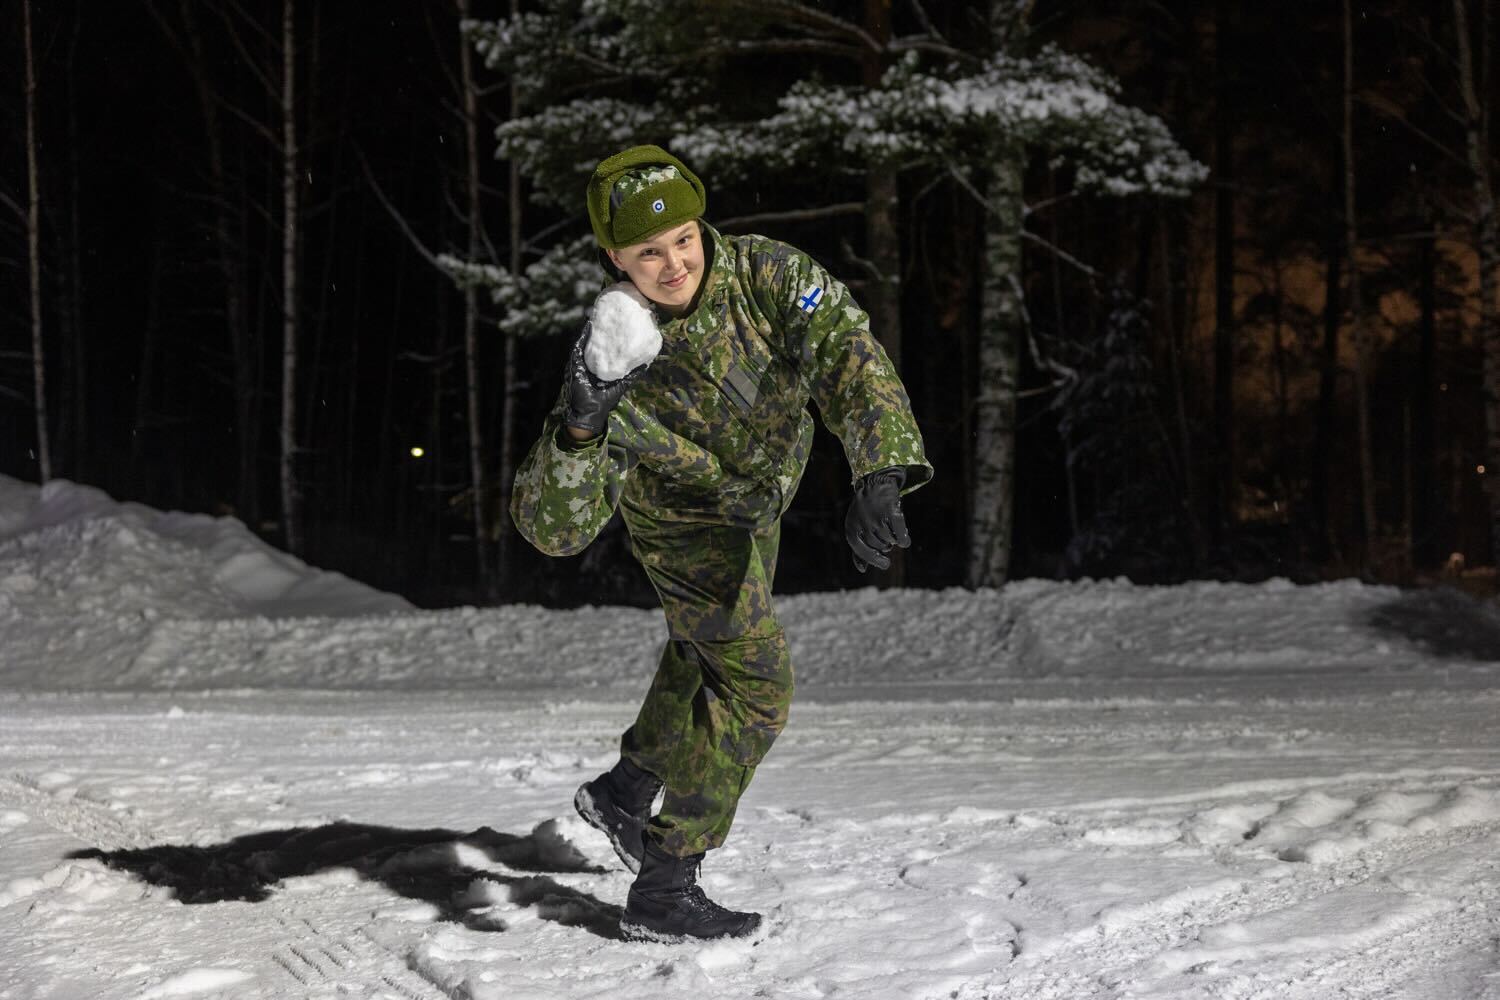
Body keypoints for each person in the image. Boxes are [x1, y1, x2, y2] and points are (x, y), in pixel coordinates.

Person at [510, 144, 932, 943]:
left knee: (701, 654)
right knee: (755, 689)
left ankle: (626, 790)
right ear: (614, 260)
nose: (673, 264)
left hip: (758, 501)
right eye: (647, 253)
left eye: (683, 239)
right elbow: (553, 530)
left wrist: (879, 464)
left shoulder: (766, 274)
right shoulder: (616, 353)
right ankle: (666, 883)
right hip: (682, 523)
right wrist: (583, 419)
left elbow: (846, 351)